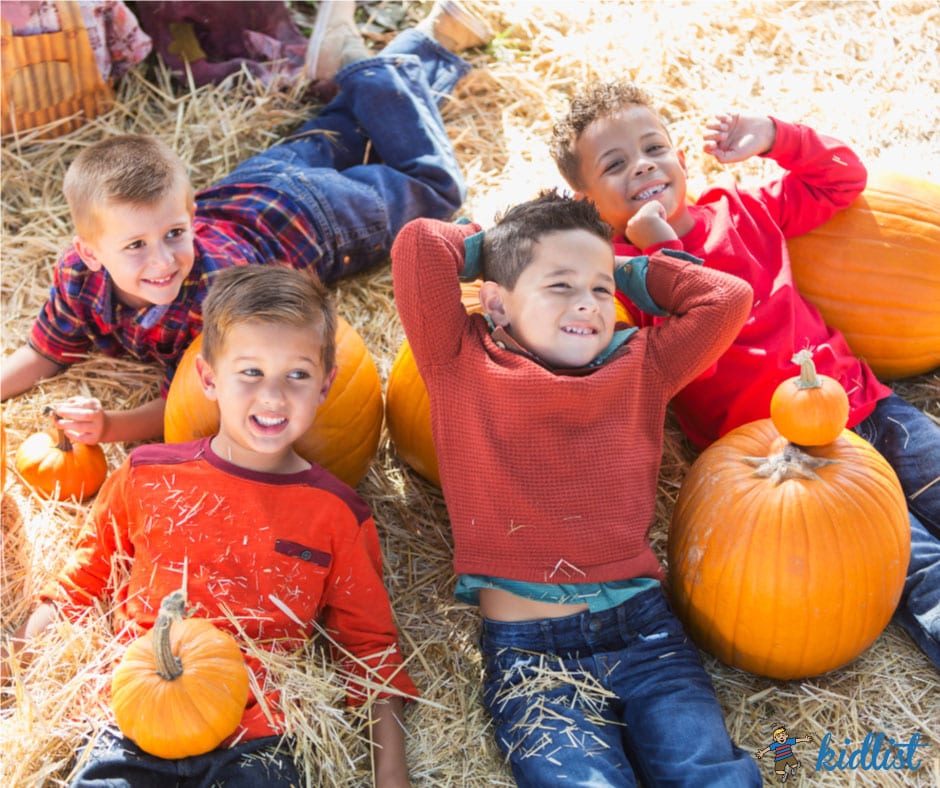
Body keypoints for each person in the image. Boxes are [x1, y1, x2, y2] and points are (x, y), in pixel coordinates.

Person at [549, 80, 940, 670]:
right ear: (586, 201)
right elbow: (687, 344)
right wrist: (664, 257)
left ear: (681, 158)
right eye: (616, 165)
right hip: (789, 461)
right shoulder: (621, 279)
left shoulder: (742, 208)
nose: (643, 168)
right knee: (921, 561)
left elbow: (842, 180)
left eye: (654, 149)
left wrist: (776, 136)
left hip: (864, 402)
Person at [391, 190, 760, 786]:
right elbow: (417, 246)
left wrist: (627, 270)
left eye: (601, 290)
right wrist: (501, 252)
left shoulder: (643, 365)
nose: (587, 304)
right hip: (532, 656)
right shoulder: (460, 359)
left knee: (707, 772)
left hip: (646, 636)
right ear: (496, 304)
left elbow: (727, 299)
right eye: (560, 285)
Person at [0, 0, 491, 447]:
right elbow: (47, 351)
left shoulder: (215, 295)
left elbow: (195, 402)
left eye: (174, 233)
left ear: (190, 217)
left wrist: (111, 427)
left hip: (318, 219)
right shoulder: (76, 276)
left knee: (434, 188)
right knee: (358, 121)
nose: (163, 260)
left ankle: (373, 70)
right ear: (88, 252)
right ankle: (397, 56)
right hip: (260, 182)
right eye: (135, 246)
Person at [2, 264, 418, 787]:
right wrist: (10, 663)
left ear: (326, 385)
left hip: (256, 740)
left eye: (297, 375)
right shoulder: (148, 474)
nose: (272, 397)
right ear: (207, 378)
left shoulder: (336, 513)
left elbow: (369, 649)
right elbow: (80, 586)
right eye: (250, 372)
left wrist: (392, 775)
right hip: (129, 721)